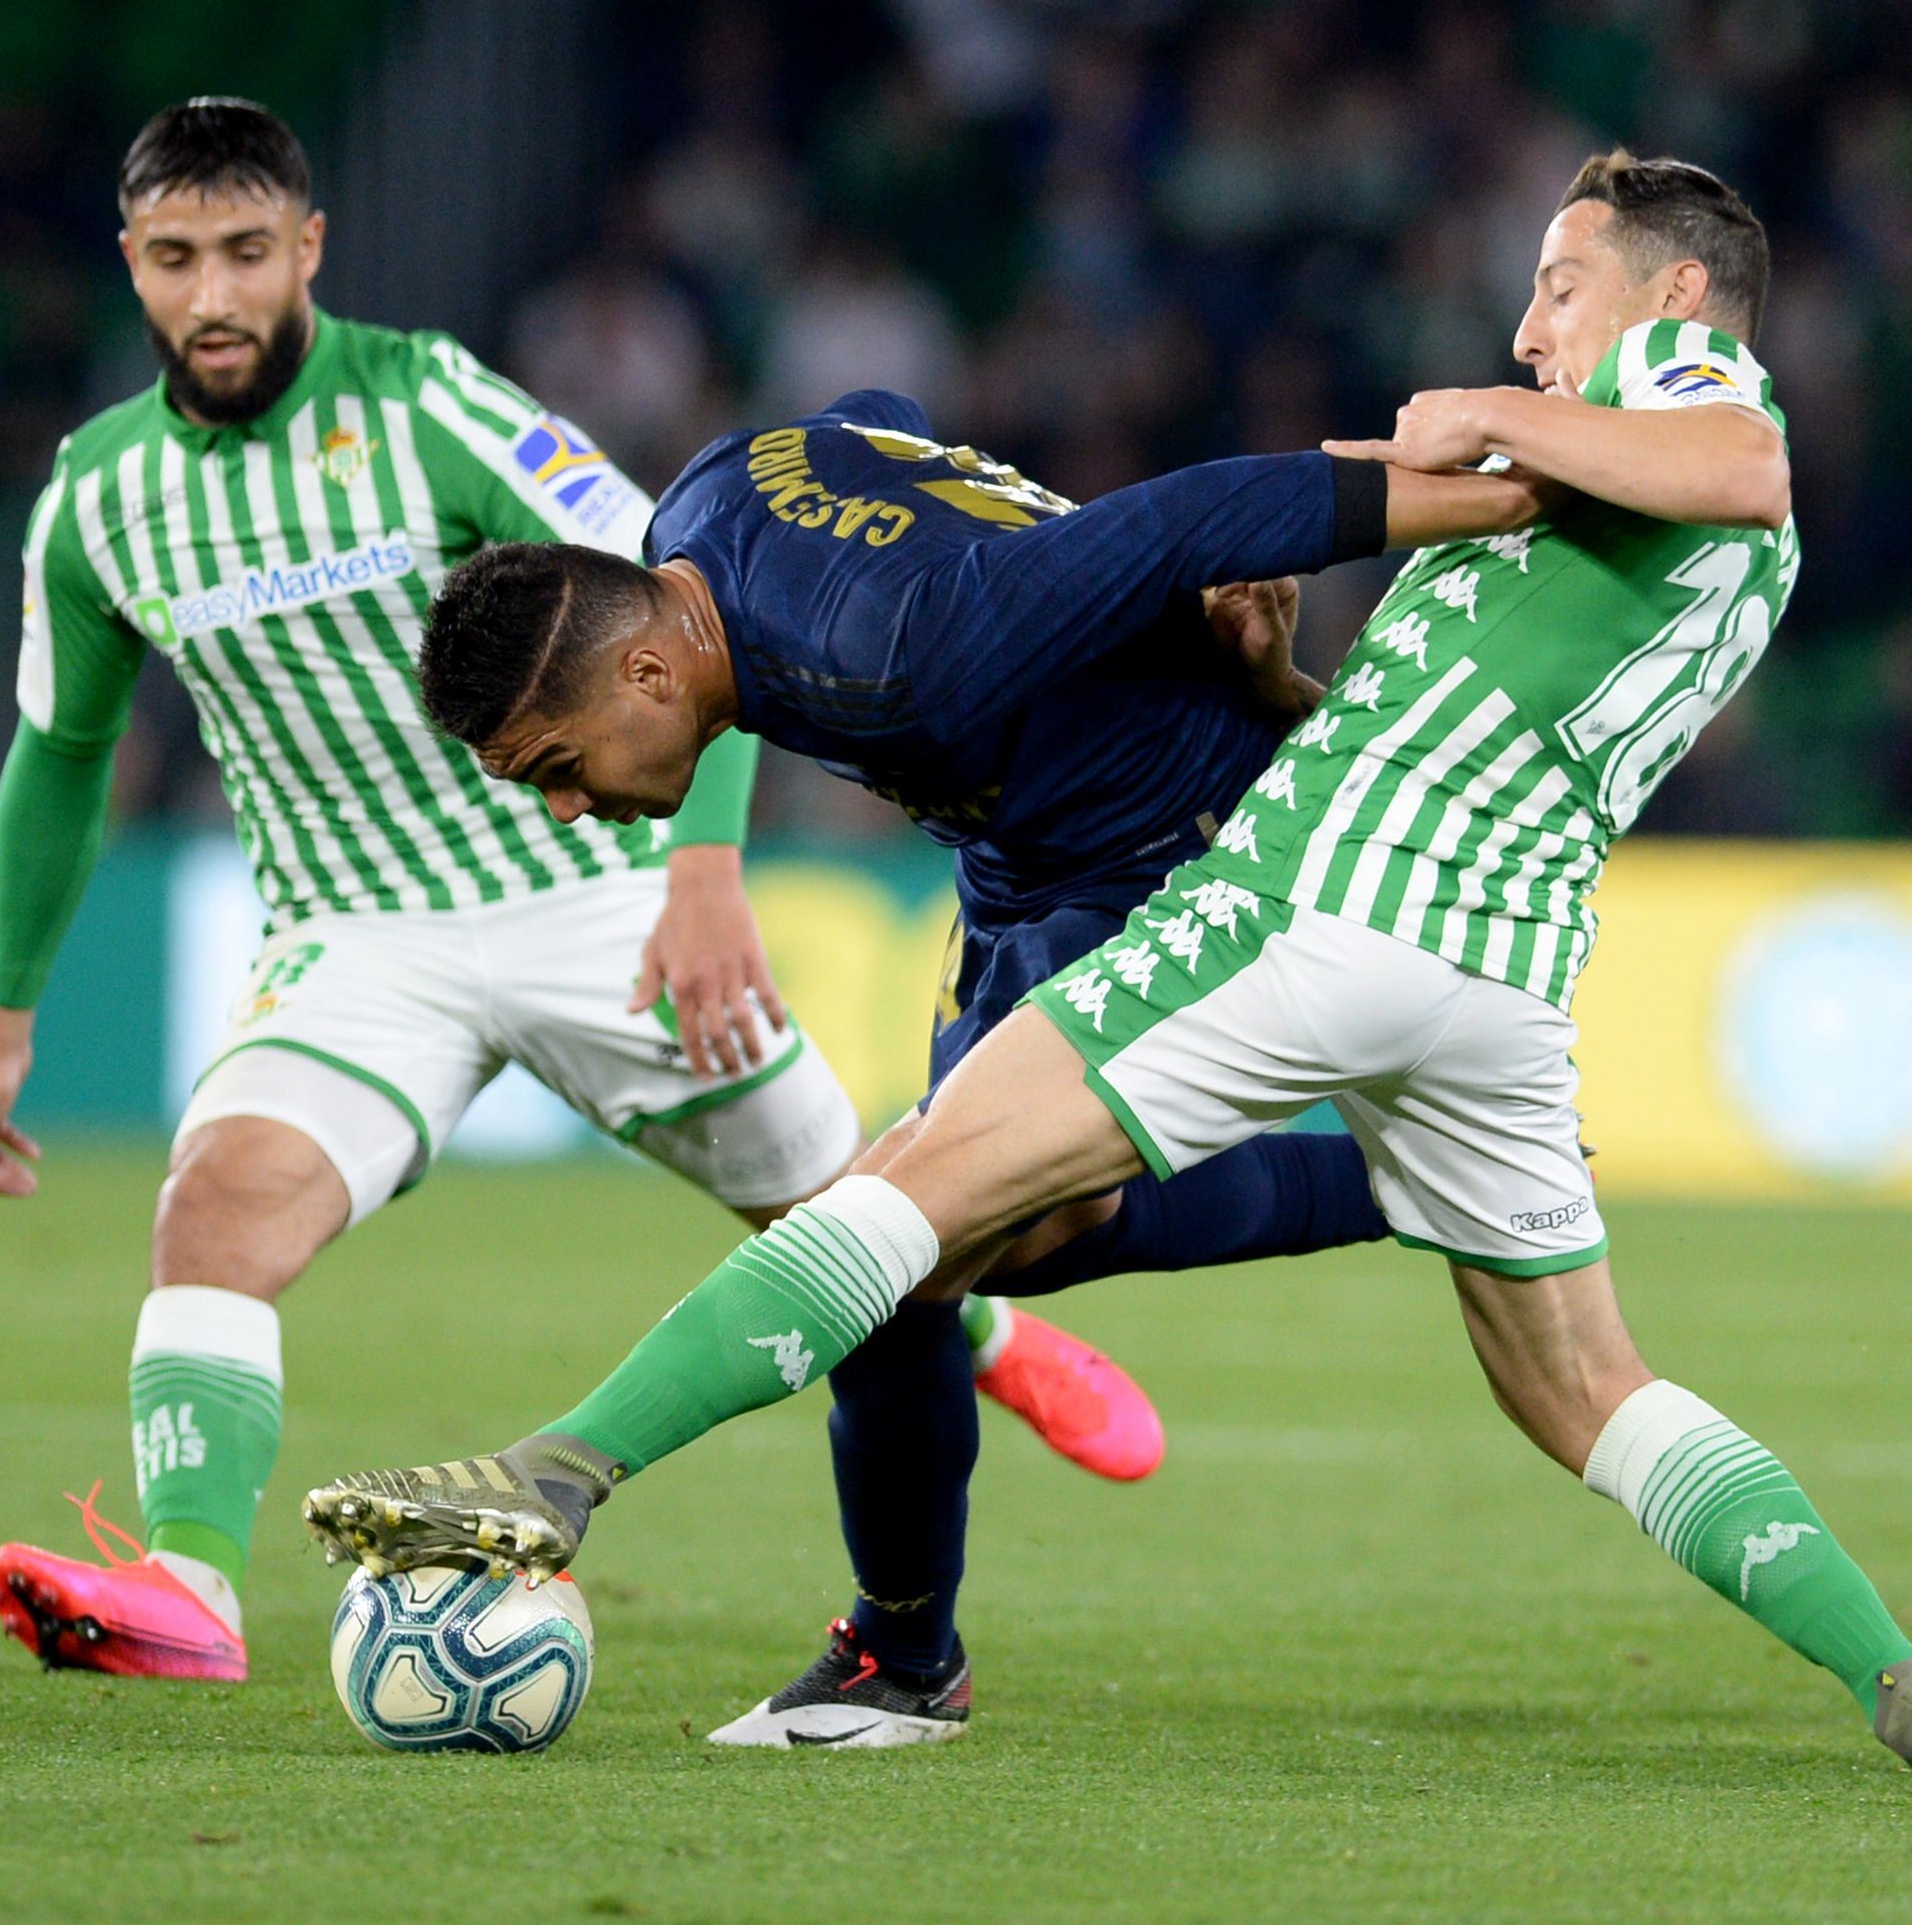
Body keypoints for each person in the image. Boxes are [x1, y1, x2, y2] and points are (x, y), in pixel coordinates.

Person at [307, 152, 1912, 1776]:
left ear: (1675, 300)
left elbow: (1738, 459)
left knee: (902, 1198)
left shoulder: (1671, 410)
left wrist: (1465, 427)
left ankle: (557, 1474)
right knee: (1585, 1391)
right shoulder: (1599, 515)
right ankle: (1909, 1682)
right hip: (1495, 969)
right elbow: (1414, 700)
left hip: (1314, 901)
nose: (1531, 332)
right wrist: (1283, 664)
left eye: (1561, 289)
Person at [0, 98, 1135, 1685]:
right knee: (212, 1213)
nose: (212, 294)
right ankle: (189, 1586)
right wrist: (2, 1024)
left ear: (308, 246)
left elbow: (680, 606)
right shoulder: (97, 498)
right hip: (353, 938)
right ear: (130, 263)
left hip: (595, 895)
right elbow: (60, 755)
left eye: (244, 251)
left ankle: (983, 1332)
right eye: (174, 259)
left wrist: (702, 871)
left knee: (858, 1220)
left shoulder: (426, 405)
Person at [407, 384, 1445, 1745]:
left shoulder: (893, 652)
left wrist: (1488, 487)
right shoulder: (710, 498)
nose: (563, 806)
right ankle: (1405, 1183)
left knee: (907, 1245)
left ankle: (882, 1649)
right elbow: (872, 425)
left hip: (1162, 845)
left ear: (648, 676)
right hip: (1025, 862)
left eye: (556, 764)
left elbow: (1186, 517)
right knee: (978, 1243)